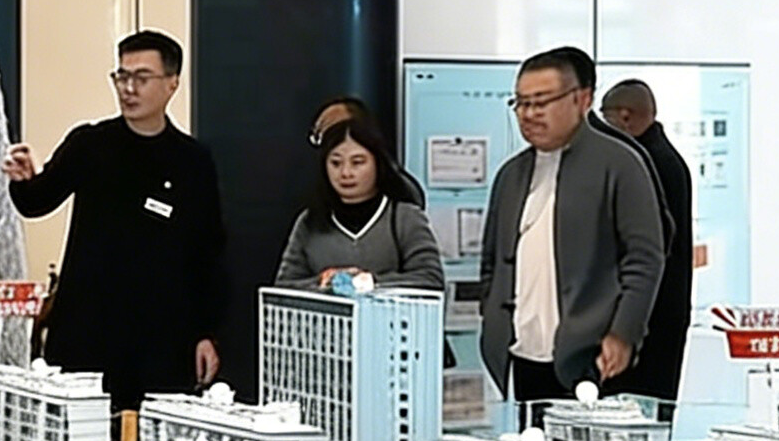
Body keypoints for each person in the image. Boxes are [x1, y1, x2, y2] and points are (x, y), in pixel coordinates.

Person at [6, 30, 228, 413]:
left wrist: (207, 333)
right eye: (121, 76)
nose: (128, 88)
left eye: (141, 78)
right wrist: (23, 180)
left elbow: (207, 253)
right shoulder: (90, 144)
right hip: (88, 328)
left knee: (151, 437)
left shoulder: (193, 161)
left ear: (172, 84)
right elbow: (37, 201)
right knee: (80, 437)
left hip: (161, 336)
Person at [478, 47, 667, 415]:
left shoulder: (620, 163)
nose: (529, 114)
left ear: (582, 100)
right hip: (521, 355)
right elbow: (491, 260)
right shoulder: (511, 174)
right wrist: (492, 313)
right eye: (521, 103)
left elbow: (645, 259)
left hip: (593, 357)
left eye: (541, 102)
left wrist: (623, 332)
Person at [600, 78, 696, 402]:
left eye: (606, 117)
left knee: (635, 410)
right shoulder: (664, 160)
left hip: (649, 313)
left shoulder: (648, 163)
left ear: (625, 116)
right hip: (661, 310)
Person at [276, 118, 445, 292]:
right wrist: (325, 282)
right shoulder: (309, 222)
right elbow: (284, 287)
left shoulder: (405, 218)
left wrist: (368, 282)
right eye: (336, 163)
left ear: (377, 164)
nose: (346, 173)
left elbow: (430, 279)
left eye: (357, 162)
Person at [308, 95, 424, 205]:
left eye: (357, 162)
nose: (345, 173)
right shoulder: (313, 204)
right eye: (318, 134)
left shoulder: (402, 202)